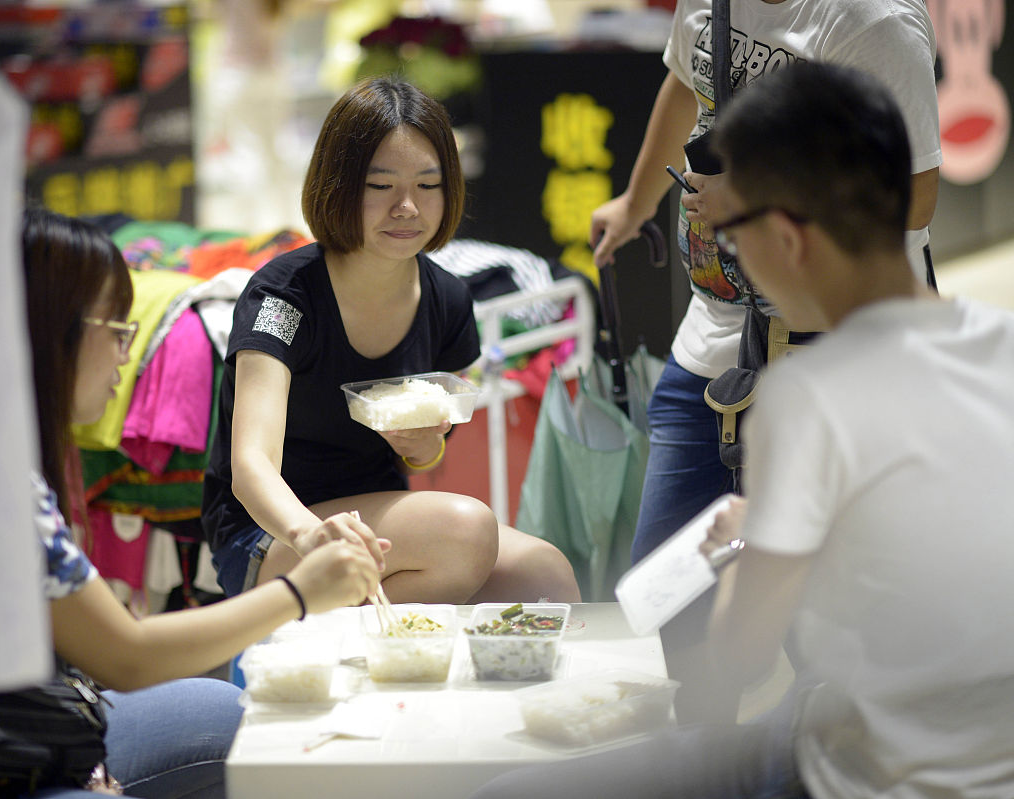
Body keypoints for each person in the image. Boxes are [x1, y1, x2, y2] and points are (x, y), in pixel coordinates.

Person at [474, 61, 1014, 799]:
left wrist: (755, 549)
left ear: (788, 238)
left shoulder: (811, 399)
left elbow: (737, 654)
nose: (730, 258)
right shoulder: (1000, 343)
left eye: (729, 234)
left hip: (845, 770)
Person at [0, 209, 382, 799]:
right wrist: (298, 593)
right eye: (116, 328)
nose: (126, 356)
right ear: (47, 330)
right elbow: (127, 656)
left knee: (226, 707)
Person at [587, 0, 941, 720]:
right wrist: (635, 203)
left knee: (833, 636)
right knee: (669, 590)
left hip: (842, 351)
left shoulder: (872, 25)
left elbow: (915, 197)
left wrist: (754, 198)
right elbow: (690, 83)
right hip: (719, 335)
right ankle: (710, 750)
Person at [200, 76, 581, 605]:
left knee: (543, 573)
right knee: (466, 530)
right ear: (337, 185)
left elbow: (426, 450)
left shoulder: (447, 299)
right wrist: (313, 537)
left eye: (428, 185)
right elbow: (250, 467)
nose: (407, 207)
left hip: (377, 514)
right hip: (270, 533)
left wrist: (426, 446)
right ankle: (358, 662)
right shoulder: (285, 298)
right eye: (381, 187)